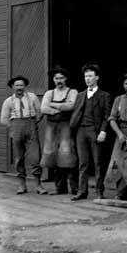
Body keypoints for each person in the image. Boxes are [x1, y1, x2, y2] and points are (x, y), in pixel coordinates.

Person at [69, 64, 112, 201]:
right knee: (83, 162)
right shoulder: (80, 95)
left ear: (97, 78)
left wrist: (103, 131)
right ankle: (82, 191)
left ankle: (99, 191)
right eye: (86, 76)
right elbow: (76, 113)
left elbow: (107, 116)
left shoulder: (104, 95)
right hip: (81, 131)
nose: (87, 79)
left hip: (95, 130)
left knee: (98, 162)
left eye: (90, 76)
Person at [0, 75, 47, 194]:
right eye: (17, 85)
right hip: (16, 128)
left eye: (21, 85)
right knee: (19, 158)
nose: (19, 87)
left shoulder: (32, 97)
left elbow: (40, 111)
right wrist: (13, 129)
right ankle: (22, 185)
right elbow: (3, 119)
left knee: (36, 157)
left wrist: (34, 122)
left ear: (25, 86)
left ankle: (38, 185)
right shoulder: (8, 101)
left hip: (31, 127)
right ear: (12, 87)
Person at [40, 66, 79, 195]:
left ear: (66, 78)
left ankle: (75, 188)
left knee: (68, 155)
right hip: (51, 127)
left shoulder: (72, 92)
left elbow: (71, 105)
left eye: (61, 78)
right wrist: (60, 108)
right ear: (53, 80)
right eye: (56, 78)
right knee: (54, 156)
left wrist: (53, 105)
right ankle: (60, 188)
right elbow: (43, 109)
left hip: (66, 126)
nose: (59, 80)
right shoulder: (49, 93)